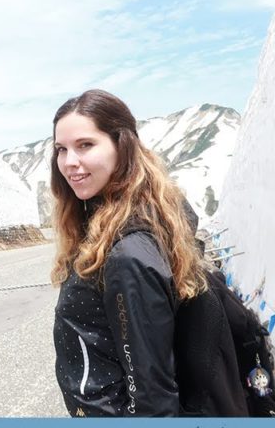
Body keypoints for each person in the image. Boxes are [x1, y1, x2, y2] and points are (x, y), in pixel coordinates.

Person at [51, 89, 207, 417]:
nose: (69, 163)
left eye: (85, 145)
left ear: (122, 145)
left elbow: (152, 391)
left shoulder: (126, 256)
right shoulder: (133, 218)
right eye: (61, 150)